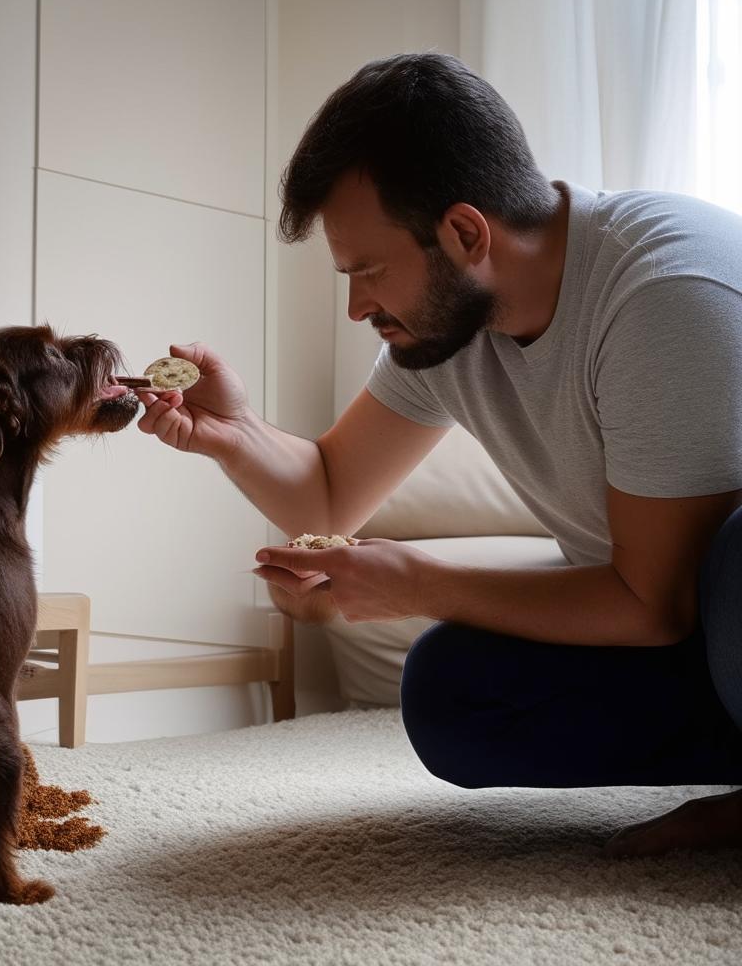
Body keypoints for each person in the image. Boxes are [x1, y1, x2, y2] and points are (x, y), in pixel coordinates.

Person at [136, 52, 742, 855]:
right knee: (452, 692)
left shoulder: (662, 294)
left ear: (464, 233)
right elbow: (327, 494)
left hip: (714, 606)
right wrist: (234, 434)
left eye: (370, 272)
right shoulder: (453, 332)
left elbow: (652, 603)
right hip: (691, 641)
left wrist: (417, 581)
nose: (357, 306)